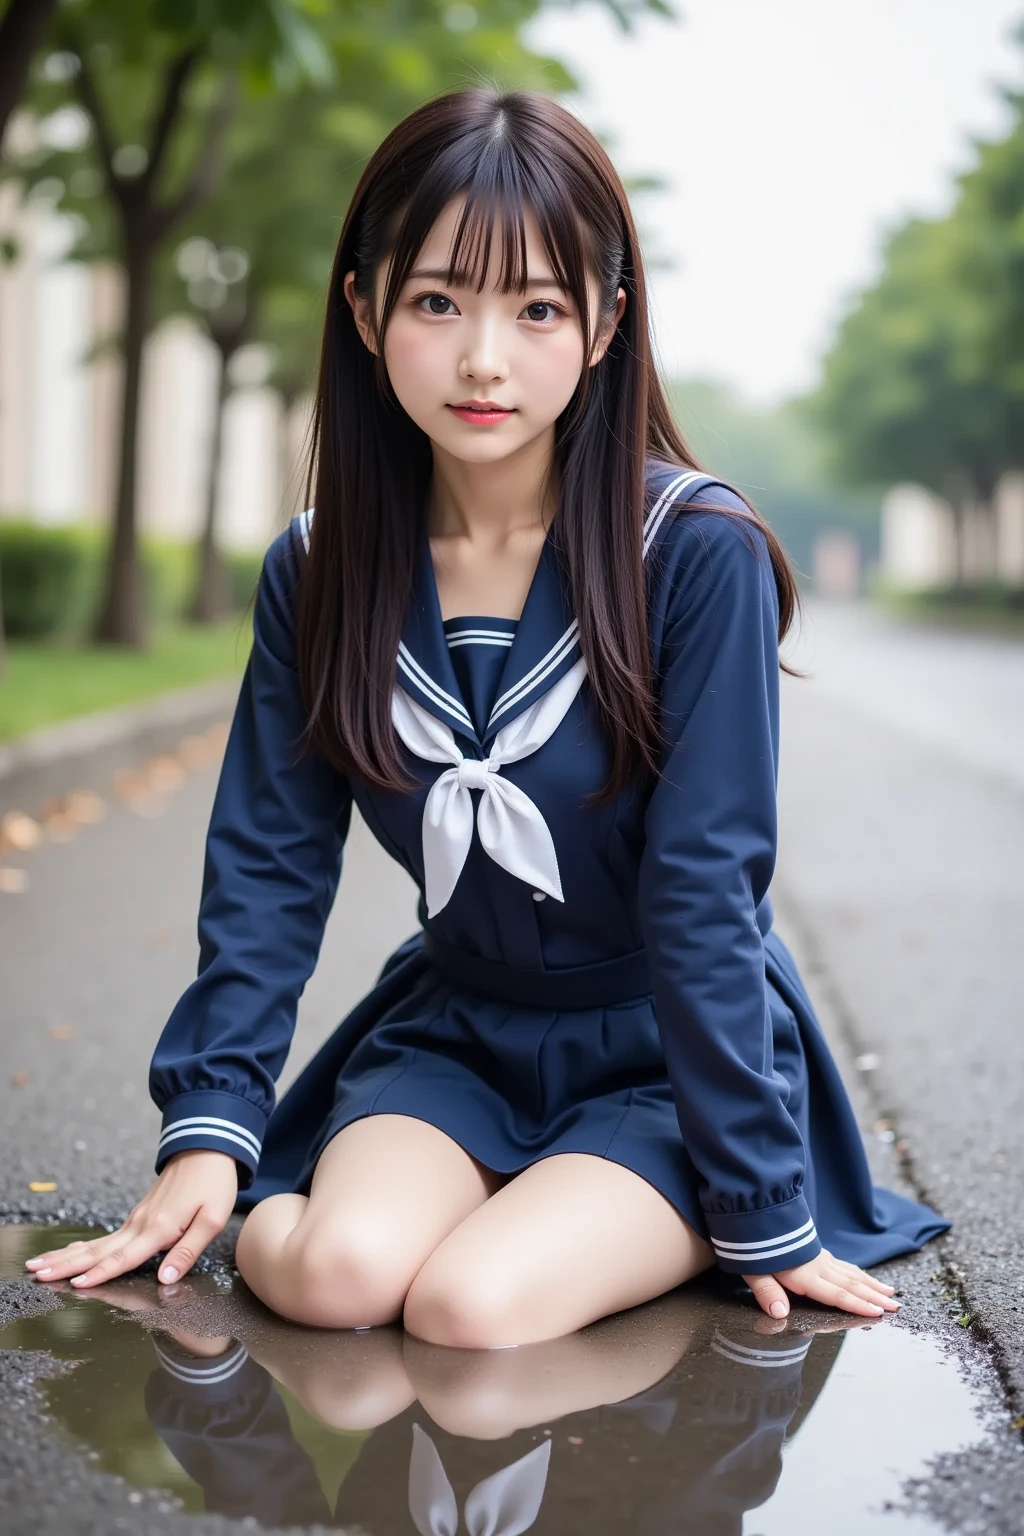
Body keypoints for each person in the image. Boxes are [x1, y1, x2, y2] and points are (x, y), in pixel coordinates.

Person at [27, 87, 950, 1343]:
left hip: (664, 1061)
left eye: (537, 309)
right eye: (437, 301)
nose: (482, 359)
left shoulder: (693, 551)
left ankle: (602, 1217)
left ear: (605, 323)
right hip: (454, 1037)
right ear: (363, 308)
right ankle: (437, 1199)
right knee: (334, 1279)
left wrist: (759, 1200)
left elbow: (702, 886)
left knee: (470, 1306)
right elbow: (268, 863)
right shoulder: (321, 567)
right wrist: (210, 1136)